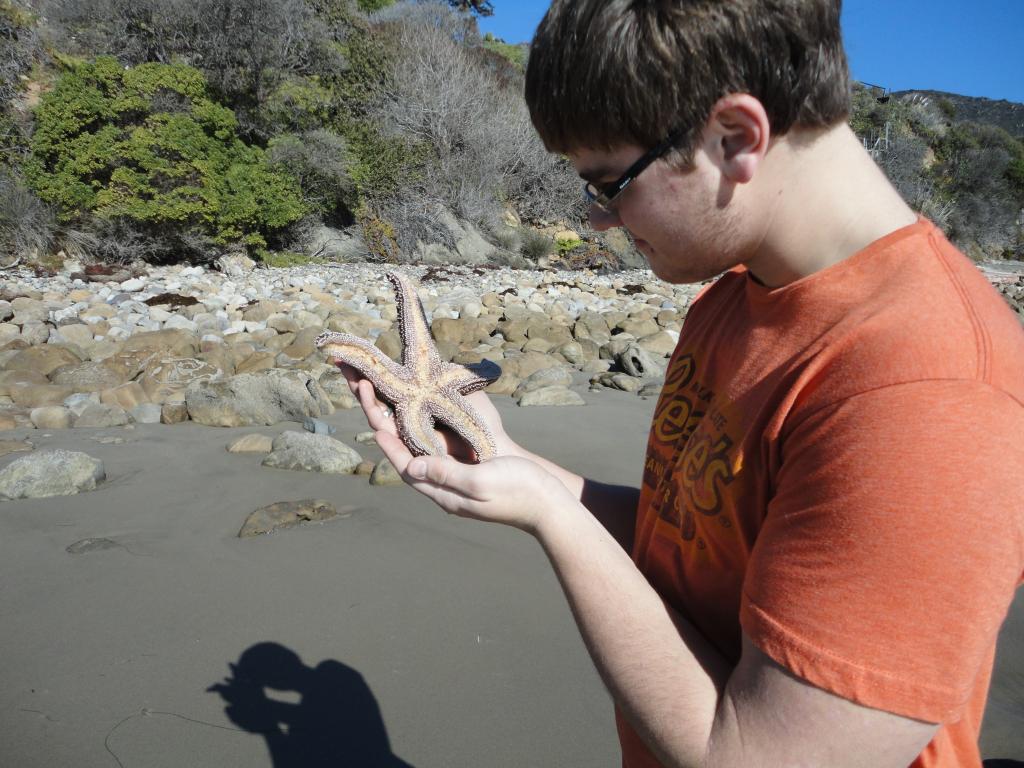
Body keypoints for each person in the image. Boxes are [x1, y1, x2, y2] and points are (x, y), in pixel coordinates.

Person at [341, 1, 1024, 766]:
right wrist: (520, 468)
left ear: (735, 139)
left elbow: (755, 756)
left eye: (609, 184)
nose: (597, 220)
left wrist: (552, 521)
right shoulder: (735, 293)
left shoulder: (931, 392)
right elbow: (696, 541)